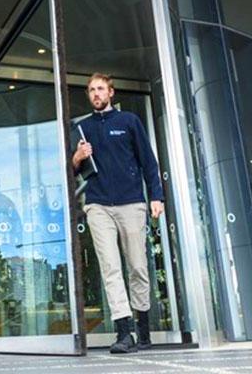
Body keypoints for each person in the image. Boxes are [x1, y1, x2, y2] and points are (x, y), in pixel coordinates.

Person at [71, 72, 164, 354]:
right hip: (98, 205)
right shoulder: (82, 128)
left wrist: (156, 196)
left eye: (100, 89)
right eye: (91, 90)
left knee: (137, 265)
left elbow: (148, 162)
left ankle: (143, 327)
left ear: (111, 93)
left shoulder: (128, 122)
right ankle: (124, 333)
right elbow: (71, 170)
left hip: (131, 203)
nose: (95, 94)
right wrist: (77, 157)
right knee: (110, 268)